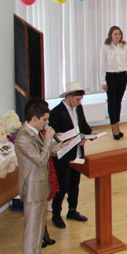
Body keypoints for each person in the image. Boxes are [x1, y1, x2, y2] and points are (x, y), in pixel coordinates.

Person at [15, 104, 63, 254]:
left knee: (39, 226)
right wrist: (49, 140)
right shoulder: (23, 138)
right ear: (34, 119)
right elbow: (41, 160)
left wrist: (60, 146)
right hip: (32, 189)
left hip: (41, 186)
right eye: (44, 119)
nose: (47, 123)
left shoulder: (34, 133)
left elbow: (45, 152)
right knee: (32, 231)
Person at [49, 82, 91, 229]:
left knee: (74, 183)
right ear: (69, 96)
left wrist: (90, 134)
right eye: (77, 99)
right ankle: (56, 214)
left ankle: (72, 211)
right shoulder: (56, 112)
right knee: (62, 186)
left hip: (77, 153)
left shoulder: (79, 108)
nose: (79, 102)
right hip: (64, 155)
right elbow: (55, 136)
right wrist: (70, 139)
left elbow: (84, 126)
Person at [100, 25, 127, 140]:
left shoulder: (124, 46)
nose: (117, 36)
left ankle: (118, 125)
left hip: (122, 75)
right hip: (111, 76)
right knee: (112, 102)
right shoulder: (105, 47)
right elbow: (102, 65)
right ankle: (113, 127)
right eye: (115, 34)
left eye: (119, 34)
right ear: (111, 35)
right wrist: (103, 81)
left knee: (118, 102)